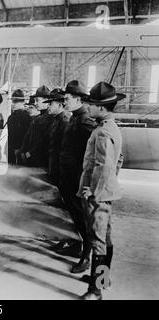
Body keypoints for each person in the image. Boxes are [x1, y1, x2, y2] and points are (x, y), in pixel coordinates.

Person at [77, 82, 124, 300]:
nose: (89, 107)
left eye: (92, 104)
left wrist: (93, 192)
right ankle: (103, 278)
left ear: (102, 109)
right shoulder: (110, 126)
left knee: (97, 240)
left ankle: (96, 290)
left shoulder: (104, 131)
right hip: (107, 192)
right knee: (105, 236)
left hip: (99, 194)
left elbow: (103, 165)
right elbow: (118, 161)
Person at [55, 80, 97, 274]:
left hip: (77, 178)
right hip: (68, 177)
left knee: (84, 218)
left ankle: (87, 256)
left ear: (79, 99)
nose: (64, 101)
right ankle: (78, 245)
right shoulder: (73, 117)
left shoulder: (85, 120)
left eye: (67, 98)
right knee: (74, 216)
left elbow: (95, 152)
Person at [20, 85, 53, 167]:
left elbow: (43, 141)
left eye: (37, 100)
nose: (35, 103)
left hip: (41, 161)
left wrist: (30, 153)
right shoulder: (38, 119)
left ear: (47, 100)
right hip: (32, 159)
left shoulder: (50, 119)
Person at [44, 88, 71, 186]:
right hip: (53, 163)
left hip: (59, 166)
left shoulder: (65, 121)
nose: (48, 106)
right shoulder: (56, 120)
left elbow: (65, 148)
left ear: (60, 105)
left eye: (51, 104)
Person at [6, 89, 32, 165]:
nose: (13, 104)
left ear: (23, 102)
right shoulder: (11, 117)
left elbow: (28, 137)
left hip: (21, 152)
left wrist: (22, 151)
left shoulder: (27, 117)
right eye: (13, 101)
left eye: (16, 102)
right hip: (11, 152)